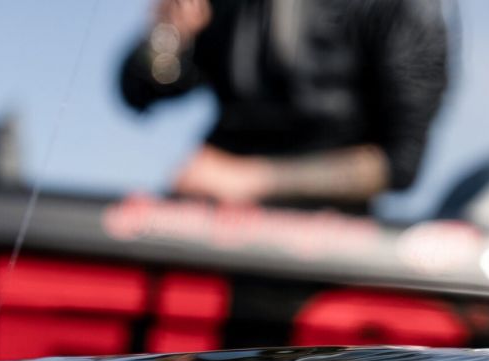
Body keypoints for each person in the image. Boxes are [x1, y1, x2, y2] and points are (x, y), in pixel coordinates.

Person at [118, 0, 451, 213]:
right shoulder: (233, 9)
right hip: (210, 226)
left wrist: (248, 180)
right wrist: (170, 32)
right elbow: (142, 90)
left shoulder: (403, 8)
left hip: (327, 240)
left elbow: (400, 164)